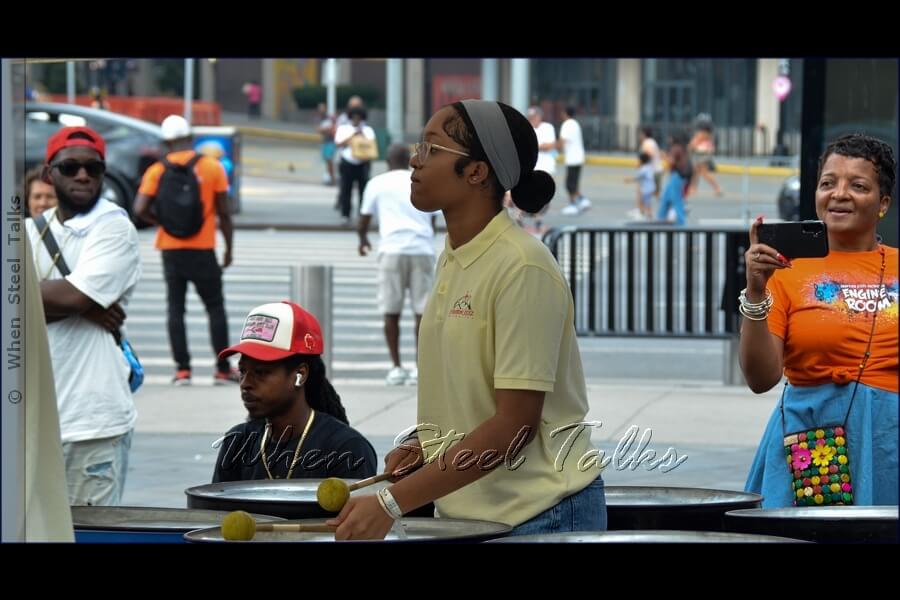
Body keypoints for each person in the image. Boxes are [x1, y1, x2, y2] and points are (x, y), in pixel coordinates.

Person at [327, 100, 606, 540]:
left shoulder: (522, 266)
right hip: (472, 513)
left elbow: (514, 426)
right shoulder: (455, 258)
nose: (415, 160)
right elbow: (471, 397)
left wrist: (390, 502)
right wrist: (426, 444)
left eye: (433, 149)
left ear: (477, 172)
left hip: (541, 514)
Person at [742, 133, 898, 508]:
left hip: (888, 440)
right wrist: (756, 291)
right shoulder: (787, 271)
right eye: (828, 183)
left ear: (883, 204)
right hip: (810, 439)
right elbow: (761, 378)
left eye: (858, 185)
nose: (839, 194)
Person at [25, 126, 142, 506]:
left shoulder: (114, 228)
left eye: (93, 168)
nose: (82, 175)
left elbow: (74, 297)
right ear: (49, 173)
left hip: (92, 424)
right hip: (29, 422)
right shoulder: (25, 233)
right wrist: (85, 305)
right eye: (70, 166)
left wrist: (78, 302)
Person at [212, 301, 377, 482]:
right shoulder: (236, 443)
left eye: (261, 372)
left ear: (300, 374)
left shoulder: (348, 448)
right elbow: (214, 510)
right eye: (242, 371)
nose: (245, 383)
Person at [134, 115, 239, 386]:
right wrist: (228, 248)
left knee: (175, 308)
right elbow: (224, 213)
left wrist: (163, 223)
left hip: (171, 249)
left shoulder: (156, 171)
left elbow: (139, 209)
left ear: (166, 142)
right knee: (215, 307)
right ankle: (222, 368)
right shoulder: (212, 167)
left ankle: (183, 370)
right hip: (203, 249)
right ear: (190, 138)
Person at [358, 144, 437, 386]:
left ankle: (396, 367)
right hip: (421, 249)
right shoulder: (423, 179)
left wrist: (362, 240)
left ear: (387, 161)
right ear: (409, 160)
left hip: (391, 249)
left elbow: (364, 217)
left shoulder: (377, 183)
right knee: (422, 313)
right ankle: (419, 367)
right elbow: (433, 217)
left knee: (391, 311)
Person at [334, 106, 376, 225]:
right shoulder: (344, 129)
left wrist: (361, 135)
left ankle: (362, 215)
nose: (356, 120)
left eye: (359, 118)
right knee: (345, 189)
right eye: (354, 118)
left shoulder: (368, 130)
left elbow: (371, 145)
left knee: (364, 190)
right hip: (347, 162)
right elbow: (338, 144)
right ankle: (345, 214)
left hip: (363, 163)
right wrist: (353, 136)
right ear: (350, 118)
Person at [557, 106, 591, 216]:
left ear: (566, 113)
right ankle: (582, 200)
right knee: (574, 183)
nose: (561, 115)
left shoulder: (566, 125)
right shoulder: (575, 124)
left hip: (572, 158)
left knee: (569, 184)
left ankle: (573, 205)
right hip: (579, 157)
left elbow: (562, 141)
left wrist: (554, 149)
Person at [658, 131, 692, 225]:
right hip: (679, 176)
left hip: (677, 176)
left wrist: (664, 156)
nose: (668, 140)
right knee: (666, 198)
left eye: (669, 138)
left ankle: (681, 222)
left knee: (676, 199)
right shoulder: (681, 148)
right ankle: (660, 219)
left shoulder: (675, 148)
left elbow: (671, 162)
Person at [687, 115, 723, 196]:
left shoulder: (702, 133)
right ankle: (693, 188)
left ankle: (717, 188)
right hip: (703, 154)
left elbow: (694, 142)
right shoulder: (709, 133)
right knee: (695, 171)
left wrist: (688, 148)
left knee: (704, 172)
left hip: (701, 154)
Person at [624, 152, 656, 219]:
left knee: (644, 202)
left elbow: (637, 177)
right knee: (646, 202)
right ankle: (646, 214)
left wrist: (628, 180)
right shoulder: (649, 167)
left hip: (647, 189)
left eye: (639, 160)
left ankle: (644, 215)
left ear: (641, 161)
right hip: (651, 188)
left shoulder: (643, 169)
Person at [639, 126, 664, 200]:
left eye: (640, 134)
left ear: (644, 134)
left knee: (644, 191)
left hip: (652, 170)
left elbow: (650, 154)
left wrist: (642, 163)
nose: (639, 136)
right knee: (655, 193)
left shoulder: (647, 143)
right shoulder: (652, 142)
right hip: (657, 169)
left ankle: (642, 209)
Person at [316, 103, 337, 186]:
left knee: (329, 160)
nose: (321, 110)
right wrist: (325, 130)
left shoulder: (330, 118)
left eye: (322, 108)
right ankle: (329, 177)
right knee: (327, 161)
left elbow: (332, 129)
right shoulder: (319, 119)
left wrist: (325, 130)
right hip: (324, 142)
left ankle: (332, 178)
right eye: (320, 108)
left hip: (331, 142)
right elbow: (318, 129)